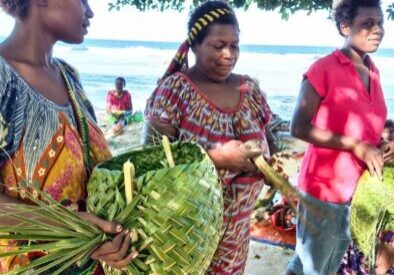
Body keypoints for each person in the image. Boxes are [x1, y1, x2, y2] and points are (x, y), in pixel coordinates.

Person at [0, 0, 136, 272]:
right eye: (83, 0)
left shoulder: (69, 76)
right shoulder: (3, 79)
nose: (90, 11)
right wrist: (68, 226)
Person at [143, 1, 274, 274]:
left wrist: (274, 171)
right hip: (185, 237)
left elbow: (271, 144)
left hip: (237, 240)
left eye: (235, 45)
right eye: (218, 46)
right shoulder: (174, 92)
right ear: (194, 46)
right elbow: (149, 167)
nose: (229, 54)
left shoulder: (249, 90)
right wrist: (217, 159)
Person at [285, 0, 388, 274]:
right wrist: (356, 146)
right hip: (325, 189)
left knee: (316, 264)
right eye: (367, 24)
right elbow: (298, 126)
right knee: (315, 268)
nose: (377, 29)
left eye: (380, 22)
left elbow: (367, 122)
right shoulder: (324, 68)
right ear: (345, 27)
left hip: (356, 191)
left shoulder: (373, 71)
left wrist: (384, 140)